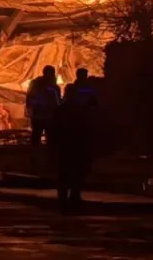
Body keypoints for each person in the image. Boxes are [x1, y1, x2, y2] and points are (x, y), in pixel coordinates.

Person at [54, 75, 97, 213]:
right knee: (72, 175)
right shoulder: (76, 110)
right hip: (71, 148)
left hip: (70, 148)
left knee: (70, 175)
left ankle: (69, 199)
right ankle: (70, 199)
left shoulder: (66, 110)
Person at [25, 65, 61, 148]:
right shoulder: (49, 86)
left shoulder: (36, 83)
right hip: (44, 116)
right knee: (42, 136)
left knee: (40, 136)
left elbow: (29, 98)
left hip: (43, 116)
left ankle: (39, 154)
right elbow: (58, 102)